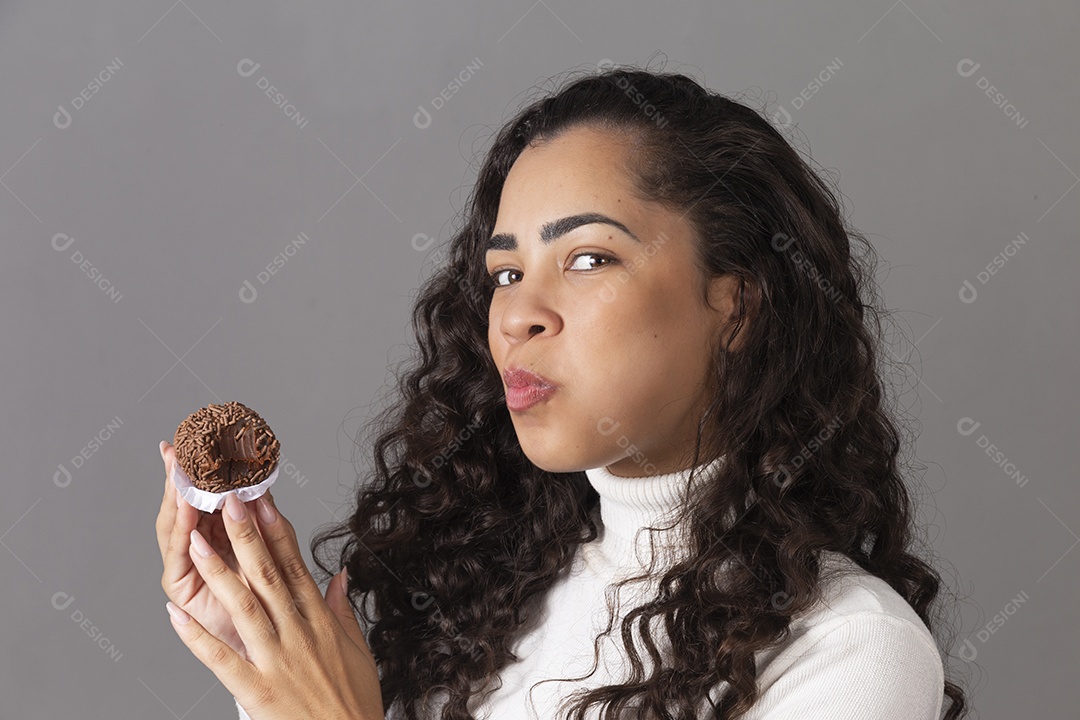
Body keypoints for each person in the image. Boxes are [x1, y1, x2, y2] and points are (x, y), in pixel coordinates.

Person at [158, 63, 969, 720]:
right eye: (506, 273)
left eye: (587, 259)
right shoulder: (492, 606)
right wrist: (267, 670)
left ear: (737, 303)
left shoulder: (852, 652)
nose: (517, 316)